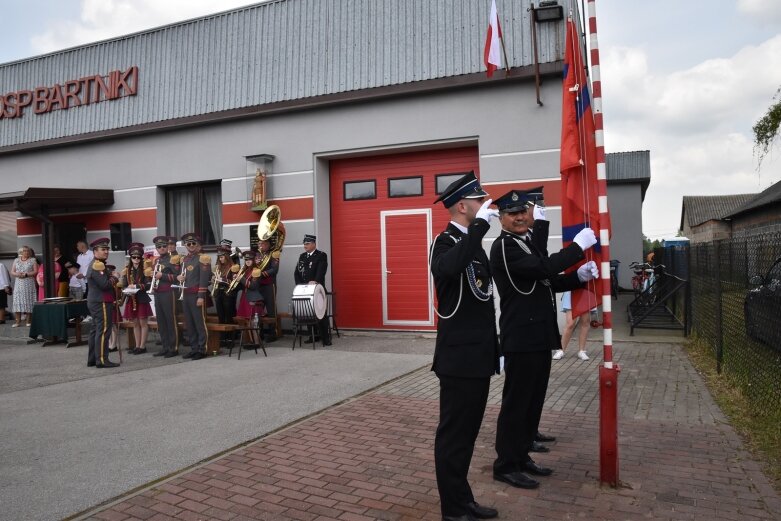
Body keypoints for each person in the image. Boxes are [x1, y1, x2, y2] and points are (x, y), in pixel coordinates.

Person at [490, 189, 598, 490]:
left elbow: (546, 280)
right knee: (516, 405)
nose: (521, 217)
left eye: (523, 211)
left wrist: (579, 277)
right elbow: (543, 268)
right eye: (513, 214)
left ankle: (521, 456)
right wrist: (577, 248)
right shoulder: (503, 248)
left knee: (532, 402)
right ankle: (505, 465)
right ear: (501, 219)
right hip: (521, 338)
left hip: (537, 336)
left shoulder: (524, 243)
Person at [429, 171, 500, 521]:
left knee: (468, 435)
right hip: (458, 359)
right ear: (462, 205)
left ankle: (462, 499)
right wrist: (479, 229)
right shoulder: (444, 242)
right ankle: (452, 509)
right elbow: (448, 268)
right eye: (479, 200)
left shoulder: (473, 243)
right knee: (454, 436)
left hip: (478, 355)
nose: (485, 206)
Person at [176, 233, 212, 360]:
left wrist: (201, 296)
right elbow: (182, 276)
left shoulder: (203, 258)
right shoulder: (184, 259)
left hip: (196, 295)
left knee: (199, 323)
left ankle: (202, 349)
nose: (190, 246)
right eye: (188, 244)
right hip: (185, 295)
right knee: (189, 324)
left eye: (193, 243)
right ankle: (194, 348)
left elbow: (204, 279)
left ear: (198, 245)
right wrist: (178, 277)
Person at [86, 237, 120, 368]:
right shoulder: (97, 265)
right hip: (101, 301)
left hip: (97, 300)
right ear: (95, 251)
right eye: (103, 249)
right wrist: (115, 277)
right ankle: (101, 359)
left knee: (95, 330)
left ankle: (93, 359)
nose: (106, 252)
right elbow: (104, 285)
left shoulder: (99, 264)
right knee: (104, 330)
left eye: (107, 249)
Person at [294, 234, 331, 346]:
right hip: (305, 289)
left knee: (321, 314)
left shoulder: (321, 255)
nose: (305, 246)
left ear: (314, 244)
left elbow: (321, 271)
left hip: (317, 289)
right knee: (308, 313)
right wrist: (299, 285)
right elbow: (297, 272)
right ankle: (312, 336)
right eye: (304, 244)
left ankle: (326, 338)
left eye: (307, 244)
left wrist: (315, 281)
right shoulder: (302, 256)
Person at [151, 236, 181, 358]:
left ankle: (173, 348)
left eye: (164, 246)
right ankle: (165, 346)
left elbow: (177, 277)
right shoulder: (157, 261)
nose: (162, 248)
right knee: (161, 321)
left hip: (169, 292)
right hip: (158, 293)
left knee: (170, 320)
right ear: (156, 248)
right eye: (159, 247)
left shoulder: (173, 259)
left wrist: (161, 275)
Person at [121, 243, 154, 355]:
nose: (136, 259)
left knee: (143, 323)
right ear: (130, 258)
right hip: (131, 298)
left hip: (142, 299)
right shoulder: (126, 270)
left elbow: (149, 284)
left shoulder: (145, 269)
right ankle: (137, 345)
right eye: (134, 257)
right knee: (135, 323)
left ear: (141, 258)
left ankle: (142, 346)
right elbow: (124, 284)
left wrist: (136, 286)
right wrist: (125, 290)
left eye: (138, 257)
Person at [234, 250, 265, 346]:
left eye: (250, 259)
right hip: (244, 298)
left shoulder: (256, 271)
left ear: (253, 260)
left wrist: (241, 279)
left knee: (253, 322)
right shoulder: (244, 271)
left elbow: (253, 286)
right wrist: (234, 279)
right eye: (246, 259)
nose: (247, 261)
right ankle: (247, 341)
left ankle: (256, 343)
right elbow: (241, 287)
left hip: (253, 298)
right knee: (243, 320)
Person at [212, 244, 239, 347]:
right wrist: (213, 279)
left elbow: (235, 282)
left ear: (227, 256)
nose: (220, 259)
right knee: (221, 316)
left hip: (228, 294)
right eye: (219, 257)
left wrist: (222, 280)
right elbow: (214, 279)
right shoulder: (218, 267)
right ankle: (223, 338)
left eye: (222, 256)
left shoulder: (233, 267)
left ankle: (230, 339)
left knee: (229, 316)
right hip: (219, 293)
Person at [552, 291, 591, 361]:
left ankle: (582, 351)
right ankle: (561, 350)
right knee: (570, 323)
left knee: (585, 322)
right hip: (571, 290)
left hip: (586, 290)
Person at [257, 238, 280, 342]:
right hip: (258, 285)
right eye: (260, 243)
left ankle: (272, 333)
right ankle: (260, 333)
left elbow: (274, 269)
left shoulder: (274, 254)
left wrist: (261, 274)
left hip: (269, 285)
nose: (261, 245)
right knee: (259, 309)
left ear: (269, 244)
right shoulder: (257, 255)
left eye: (264, 243)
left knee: (271, 309)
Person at [10, 246, 37, 327]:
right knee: (18, 301)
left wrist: (26, 274)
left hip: (29, 283)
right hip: (19, 283)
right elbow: (12, 271)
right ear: (21, 252)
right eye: (25, 251)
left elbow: (36, 271)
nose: (27, 252)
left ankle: (28, 321)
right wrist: (17, 274)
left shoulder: (33, 260)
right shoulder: (16, 260)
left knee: (29, 300)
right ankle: (17, 322)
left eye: (28, 251)